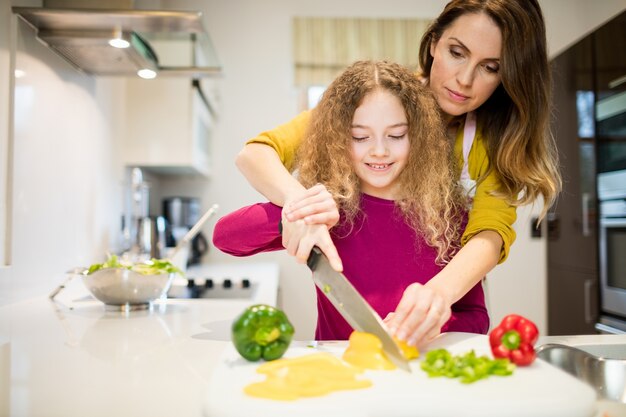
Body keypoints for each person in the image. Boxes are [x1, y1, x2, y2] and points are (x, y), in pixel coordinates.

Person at [234, 0, 562, 346]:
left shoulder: (492, 141)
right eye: (456, 52)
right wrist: (301, 205)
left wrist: (436, 297)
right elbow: (254, 154)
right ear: (434, 42)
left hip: (444, 321)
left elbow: (491, 233)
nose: (464, 80)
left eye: (490, 67)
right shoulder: (379, 99)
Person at [213, 60, 489, 342]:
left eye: (396, 135)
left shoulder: (448, 215)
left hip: (420, 371)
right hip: (340, 375)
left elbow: (476, 316)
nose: (379, 150)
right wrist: (298, 210)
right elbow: (225, 237)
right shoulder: (330, 209)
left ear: (417, 136)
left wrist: (431, 325)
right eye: (360, 136)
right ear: (339, 139)